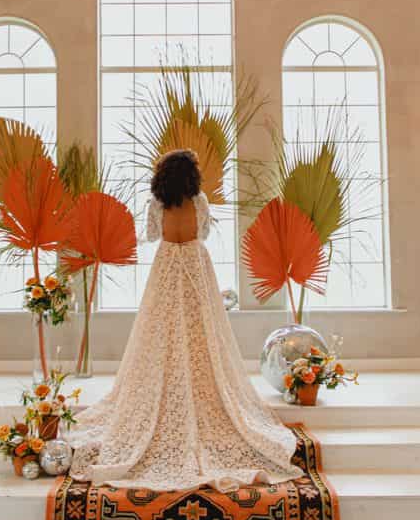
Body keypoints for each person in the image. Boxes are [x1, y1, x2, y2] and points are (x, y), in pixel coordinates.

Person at [68, 150, 300, 491]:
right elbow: (203, 234)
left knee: (161, 328)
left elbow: (149, 235)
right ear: (191, 176)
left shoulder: (157, 202)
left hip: (166, 263)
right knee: (202, 328)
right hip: (193, 262)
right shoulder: (200, 200)